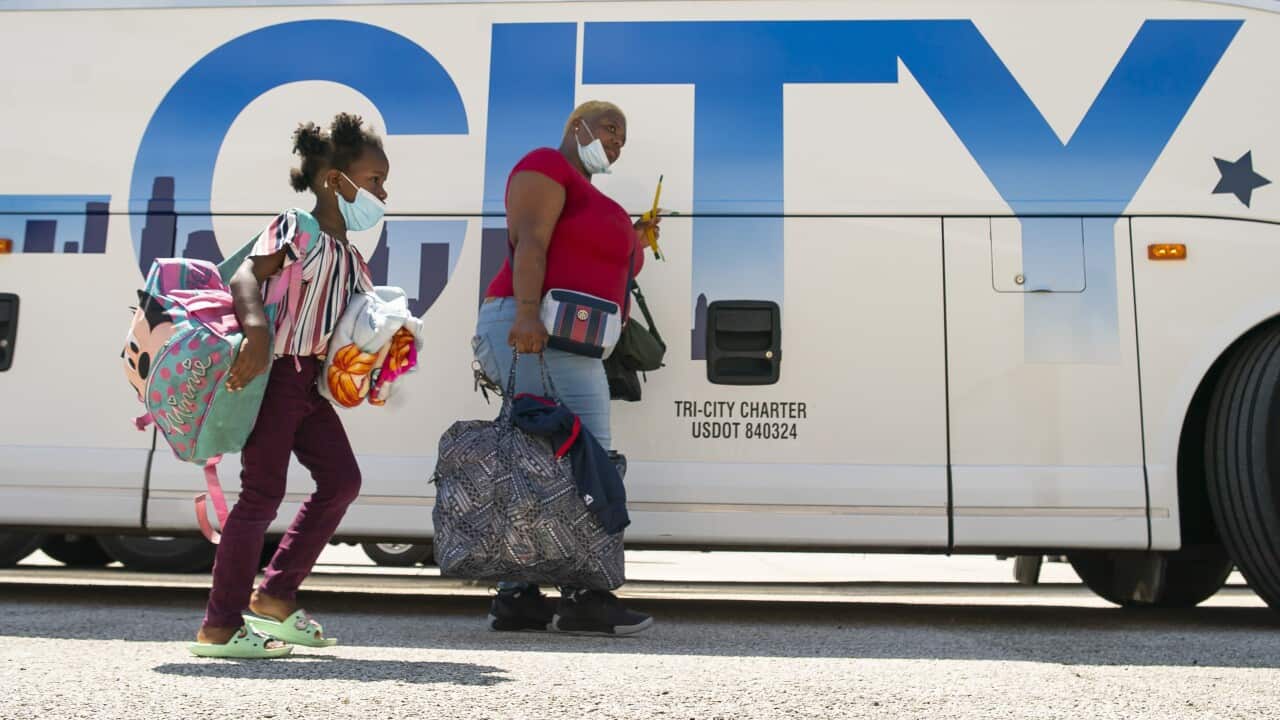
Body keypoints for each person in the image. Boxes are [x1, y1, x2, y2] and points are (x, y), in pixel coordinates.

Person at [188, 113, 387, 658]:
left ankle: (275, 594)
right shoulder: (296, 226)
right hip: (275, 373)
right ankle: (220, 626)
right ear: (335, 181)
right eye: (373, 181)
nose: (382, 193)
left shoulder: (352, 258)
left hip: (309, 385)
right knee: (262, 495)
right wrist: (256, 330)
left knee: (341, 480)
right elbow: (246, 276)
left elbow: (346, 327)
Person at [473, 100, 660, 636]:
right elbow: (529, 241)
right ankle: (585, 596)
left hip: (572, 340)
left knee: (538, 460)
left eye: (623, 136)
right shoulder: (545, 166)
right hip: (534, 327)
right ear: (576, 127)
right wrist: (528, 315)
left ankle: (519, 595)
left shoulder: (594, 198)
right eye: (608, 128)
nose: (616, 141)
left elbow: (597, 260)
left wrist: (636, 239)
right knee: (589, 457)